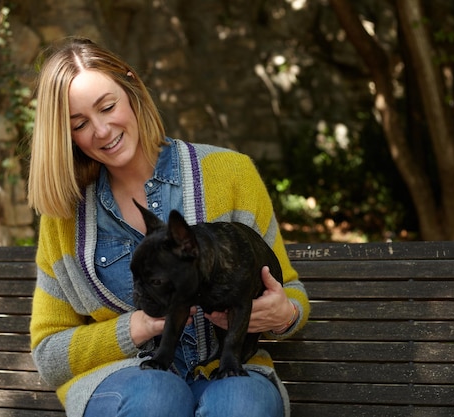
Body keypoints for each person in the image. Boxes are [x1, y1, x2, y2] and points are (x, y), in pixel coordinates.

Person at [27, 37, 310, 417]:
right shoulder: (63, 215)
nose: (101, 130)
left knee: (241, 405)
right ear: (67, 136)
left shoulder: (231, 173)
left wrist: (285, 313)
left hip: (232, 368)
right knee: (157, 398)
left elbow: (289, 292)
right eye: (79, 124)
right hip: (126, 381)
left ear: (131, 90)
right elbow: (49, 354)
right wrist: (138, 327)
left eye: (108, 107)